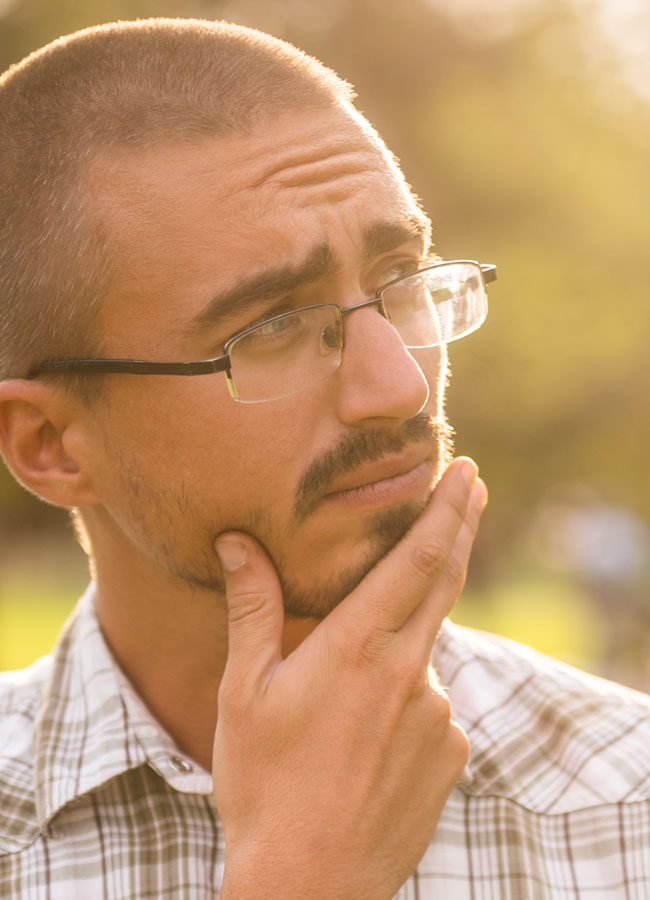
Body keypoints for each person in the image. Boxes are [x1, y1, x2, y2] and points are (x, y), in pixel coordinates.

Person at [0, 18, 648, 900]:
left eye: (403, 278)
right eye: (272, 330)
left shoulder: (625, 806)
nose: (399, 388)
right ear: (52, 446)